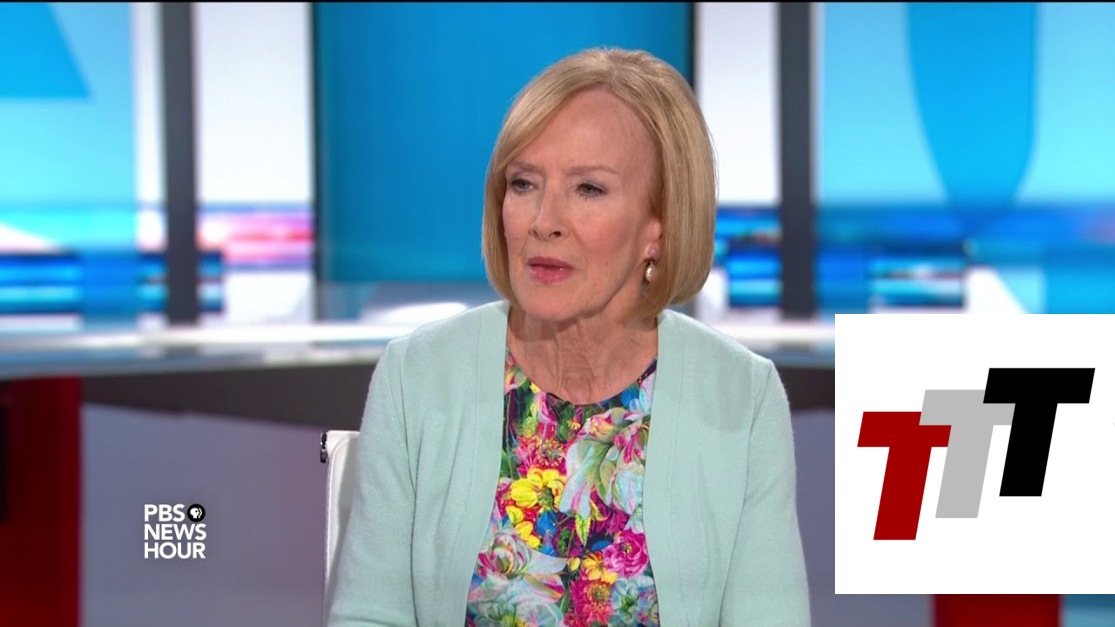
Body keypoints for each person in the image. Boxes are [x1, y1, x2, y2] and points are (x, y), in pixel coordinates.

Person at [328, 47, 809, 626]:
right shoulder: (418, 378)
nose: (543, 221)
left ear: (658, 226)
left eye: (588, 189)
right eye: (524, 183)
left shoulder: (742, 397)